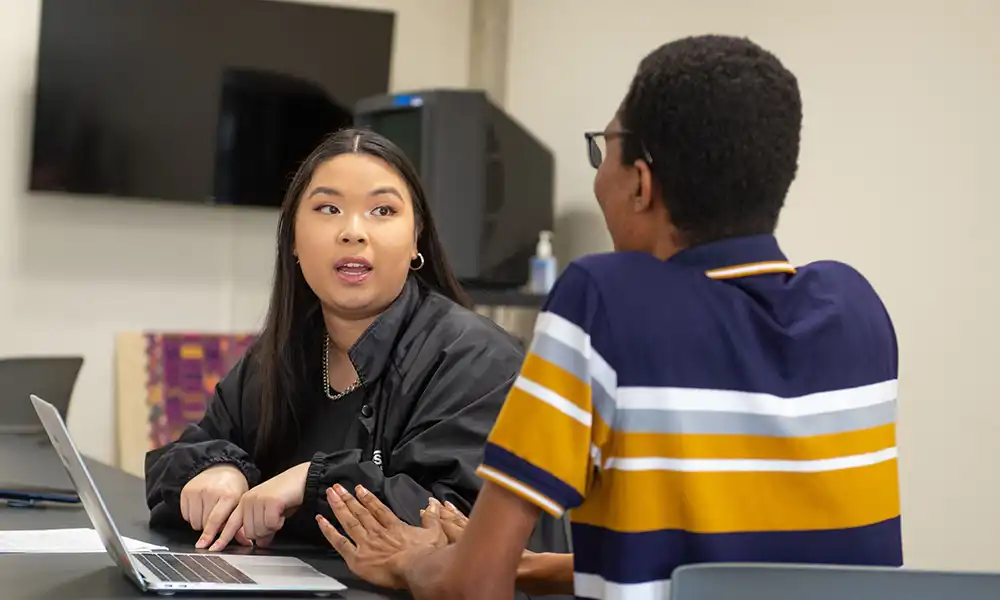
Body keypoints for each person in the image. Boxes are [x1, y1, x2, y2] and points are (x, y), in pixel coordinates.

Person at [313, 34, 903, 600]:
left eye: (605, 148)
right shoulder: (854, 306)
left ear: (640, 183)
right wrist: (527, 567)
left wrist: (418, 561)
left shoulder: (607, 299)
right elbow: (729, 569)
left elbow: (471, 588)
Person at [143, 128, 528, 552]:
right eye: (328, 208)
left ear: (416, 237)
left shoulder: (477, 357)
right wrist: (217, 469)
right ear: (292, 239)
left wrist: (315, 482)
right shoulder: (280, 354)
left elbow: (457, 521)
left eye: (382, 210)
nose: (353, 232)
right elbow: (178, 457)